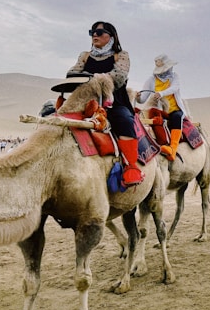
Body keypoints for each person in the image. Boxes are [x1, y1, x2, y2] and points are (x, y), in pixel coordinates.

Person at [67, 21, 144, 186]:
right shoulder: (85, 56)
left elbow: (119, 76)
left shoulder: (121, 55)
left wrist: (95, 79)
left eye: (100, 32)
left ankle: (131, 167)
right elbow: (72, 73)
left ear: (111, 36)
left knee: (123, 120)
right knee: (54, 114)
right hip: (85, 100)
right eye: (92, 32)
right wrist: (90, 80)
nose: (95, 35)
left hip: (114, 101)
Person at [136, 54, 188, 162]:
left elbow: (175, 88)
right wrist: (138, 97)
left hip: (174, 109)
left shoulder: (174, 77)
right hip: (159, 110)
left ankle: (172, 149)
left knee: (176, 117)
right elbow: (143, 99)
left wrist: (161, 93)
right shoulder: (151, 80)